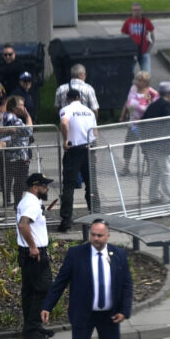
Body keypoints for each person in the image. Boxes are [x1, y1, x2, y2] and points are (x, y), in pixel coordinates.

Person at [41, 219, 133, 339]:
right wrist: (47, 306)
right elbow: (61, 281)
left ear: (108, 236)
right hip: (84, 313)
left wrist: (124, 311)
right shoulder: (77, 254)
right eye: (93, 235)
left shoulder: (119, 254)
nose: (96, 239)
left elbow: (127, 284)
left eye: (100, 235)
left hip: (109, 315)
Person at [16, 173, 55, 339]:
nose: (46, 189)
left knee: (30, 291)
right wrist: (33, 246)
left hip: (29, 252)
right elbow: (23, 224)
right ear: (35, 187)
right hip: (34, 253)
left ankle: (33, 326)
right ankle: (32, 328)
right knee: (43, 289)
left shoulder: (29, 201)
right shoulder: (31, 203)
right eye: (44, 186)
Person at [58, 88, 98, 232]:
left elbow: (64, 123)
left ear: (68, 99)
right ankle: (96, 216)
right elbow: (95, 132)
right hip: (88, 149)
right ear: (79, 98)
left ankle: (66, 220)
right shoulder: (89, 111)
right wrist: (95, 149)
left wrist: (65, 140)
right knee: (91, 185)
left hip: (73, 150)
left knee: (69, 186)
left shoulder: (66, 109)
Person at [141, 81, 170, 205]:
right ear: (169, 94)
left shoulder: (153, 105)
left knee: (155, 171)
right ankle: (168, 197)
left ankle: (153, 196)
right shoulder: (165, 105)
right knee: (165, 170)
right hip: (162, 145)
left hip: (150, 144)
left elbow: (143, 121)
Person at [119, 70, 159, 176]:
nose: (137, 82)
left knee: (146, 147)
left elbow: (154, 108)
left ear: (146, 82)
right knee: (128, 145)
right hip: (132, 124)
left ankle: (149, 168)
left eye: (140, 80)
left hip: (145, 125)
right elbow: (128, 102)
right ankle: (126, 167)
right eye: (137, 79)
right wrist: (123, 115)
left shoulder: (150, 93)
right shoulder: (133, 89)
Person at [1, 96, 32, 207]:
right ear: (14, 107)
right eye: (21, 105)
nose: (24, 108)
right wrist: (28, 116)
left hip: (10, 153)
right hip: (17, 154)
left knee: (8, 179)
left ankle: (7, 200)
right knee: (19, 181)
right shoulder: (14, 119)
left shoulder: (4, 116)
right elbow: (29, 131)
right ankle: (17, 203)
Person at [121, 2, 155, 74]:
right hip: (132, 53)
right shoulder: (128, 22)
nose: (136, 12)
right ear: (131, 11)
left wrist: (149, 50)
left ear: (141, 11)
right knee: (129, 73)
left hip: (144, 52)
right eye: (134, 10)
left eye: (138, 10)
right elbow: (123, 37)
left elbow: (152, 37)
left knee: (146, 75)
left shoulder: (146, 21)